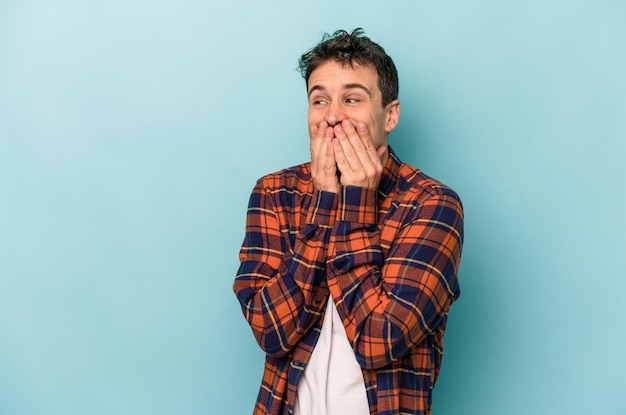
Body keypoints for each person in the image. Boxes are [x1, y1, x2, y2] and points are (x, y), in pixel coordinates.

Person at [233, 28, 464, 415]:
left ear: (389, 115)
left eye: (352, 99)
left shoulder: (432, 204)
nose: (333, 116)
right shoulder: (275, 193)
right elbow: (271, 331)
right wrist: (325, 202)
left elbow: (379, 339)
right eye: (319, 100)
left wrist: (355, 201)